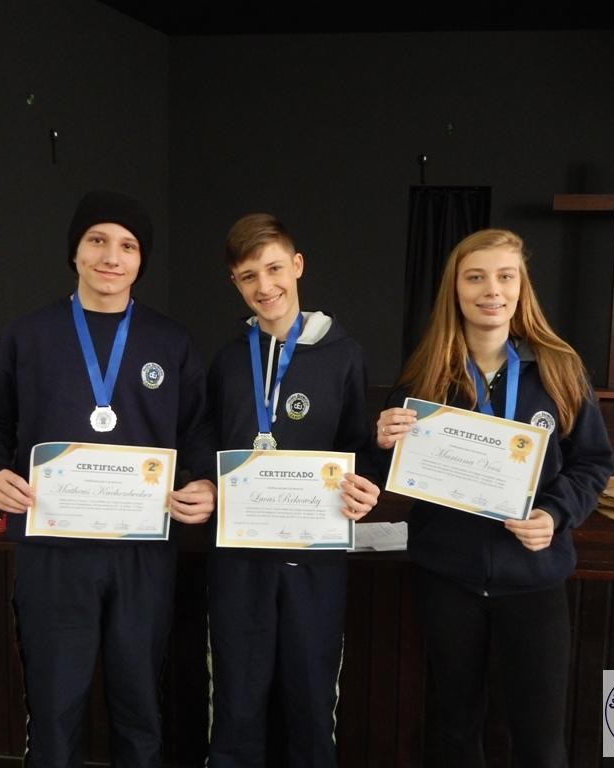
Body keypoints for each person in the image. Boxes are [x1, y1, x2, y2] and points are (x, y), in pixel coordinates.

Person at [0, 190, 215, 768]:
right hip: (53, 549)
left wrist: (206, 481)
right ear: (74, 251)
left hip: (142, 552)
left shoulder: (171, 341)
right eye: (97, 240)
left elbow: (198, 430)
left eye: (128, 245)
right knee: (54, 707)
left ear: (141, 260)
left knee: (139, 705)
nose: (111, 257)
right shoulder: (27, 336)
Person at [376, 228, 613, 767]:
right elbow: (393, 473)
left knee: (540, 740)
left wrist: (555, 513)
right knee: (454, 733)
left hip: (533, 578)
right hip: (448, 579)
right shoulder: (425, 374)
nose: (492, 290)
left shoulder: (559, 368)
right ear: (455, 289)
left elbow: (593, 462)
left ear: (521, 287)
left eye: (506, 276)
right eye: (475, 277)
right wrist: (383, 442)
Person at [205, 213, 380, 767]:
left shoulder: (344, 356)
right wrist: (203, 483)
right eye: (248, 276)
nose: (265, 286)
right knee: (235, 706)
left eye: (274, 268)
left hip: (316, 563)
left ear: (297, 265)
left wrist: (364, 488)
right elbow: (208, 444)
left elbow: (358, 447)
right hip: (239, 562)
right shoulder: (228, 360)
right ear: (235, 283)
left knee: (311, 706)